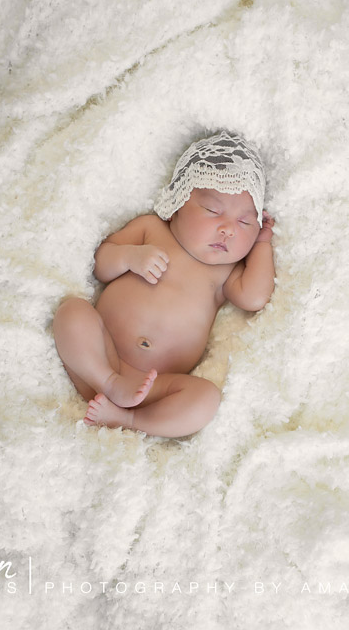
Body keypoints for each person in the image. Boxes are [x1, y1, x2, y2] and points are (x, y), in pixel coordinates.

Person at [51, 131, 276, 437]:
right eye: (213, 210)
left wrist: (262, 244)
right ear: (179, 202)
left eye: (245, 222)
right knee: (72, 312)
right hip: (98, 357)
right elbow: (101, 265)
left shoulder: (226, 271)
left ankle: (129, 420)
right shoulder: (151, 229)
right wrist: (129, 257)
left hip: (153, 386)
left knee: (206, 399)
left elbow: (255, 297)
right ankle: (109, 383)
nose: (228, 230)